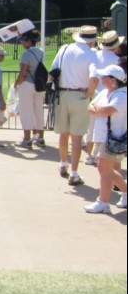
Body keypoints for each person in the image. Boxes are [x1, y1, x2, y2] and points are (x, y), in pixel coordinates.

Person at [49, 26, 98, 186]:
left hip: (62, 94)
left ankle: (63, 163)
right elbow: (94, 79)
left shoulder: (65, 48)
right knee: (77, 137)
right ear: (92, 41)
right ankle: (75, 173)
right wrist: (89, 93)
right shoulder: (91, 55)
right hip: (80, 95)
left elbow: (52, 72)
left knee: (64, 134)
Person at [83, 64, 127, 213]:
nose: (102, 79)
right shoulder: (105, 93)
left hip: (113, 138)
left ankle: (103, 202)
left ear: (114, 80)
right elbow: (91, 107)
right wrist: (98, 110)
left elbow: (106, 111)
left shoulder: (122, 95)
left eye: (105, 77)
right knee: (106, 169)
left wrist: (98, 110)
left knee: (103, 169)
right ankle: (125, 193)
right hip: (102, 137)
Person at [84, 30, 121, 165]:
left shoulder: (94, 56)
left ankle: (90, 155)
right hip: (110, 94)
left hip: (95, 93)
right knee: (108, 128)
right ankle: (106, 155)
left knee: (91, 128)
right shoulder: (117, 60)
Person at [13, 29, 46, 148]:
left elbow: (23, 73)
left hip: (27, 84)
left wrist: (16, 83)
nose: (22, 43)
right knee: (38, 111)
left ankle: (27, 139)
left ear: (28, 42)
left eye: (23, 41)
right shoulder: (41, 52)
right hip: (39, 84)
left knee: (26, 112)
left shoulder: (26, 54)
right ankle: (40, 138)